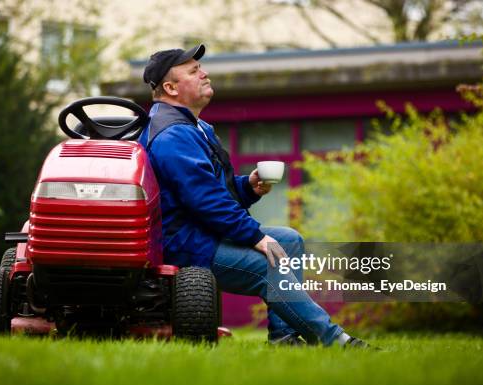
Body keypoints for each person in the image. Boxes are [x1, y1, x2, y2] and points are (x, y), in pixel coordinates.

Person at [138, 44, 371, 348]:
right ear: (170, 88)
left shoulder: (194, 128)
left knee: (288, 240)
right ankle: (336, 340)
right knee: (268, 264)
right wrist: (254, 237)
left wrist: (247, 186)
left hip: (202, 233)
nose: (205, 73)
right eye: (194, 71)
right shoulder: (173, 135)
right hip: (186, 243)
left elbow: (209, 189)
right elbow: (204, 201)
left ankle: (283, 337)